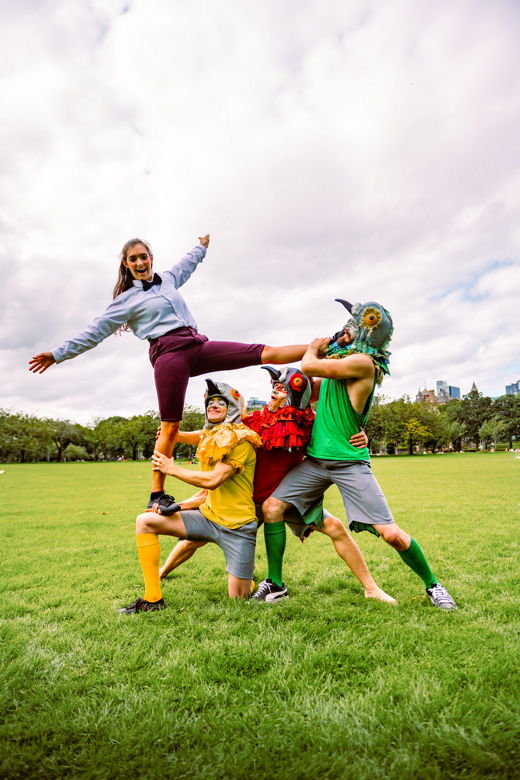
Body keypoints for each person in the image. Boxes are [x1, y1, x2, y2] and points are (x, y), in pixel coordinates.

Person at [28, 236, 307, 511]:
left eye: (143, 256)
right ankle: (156, 493)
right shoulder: (126, 300)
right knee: (171, 425)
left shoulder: (168, 279)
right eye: (133, 259)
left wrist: (201, 247)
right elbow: (94, 332)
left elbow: (187, 264)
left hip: (197, 345)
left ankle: (323, 347)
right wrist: (57, 354)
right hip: (168, 354)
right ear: (126, 265)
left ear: (151, 257)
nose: (140, 262)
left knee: (261, 351)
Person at [263, 300, 458, 610]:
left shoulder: (363, 363)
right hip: (315, 461)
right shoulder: (339, 367)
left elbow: (309, 366)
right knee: (272, 507)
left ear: (368, 334)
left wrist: (314, 346)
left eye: (355, 326)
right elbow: (305, 390)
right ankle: (275, 584)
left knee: (390, 534)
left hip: (348, 462)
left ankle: (434, 586)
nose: (348, 330)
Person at [159, 365, 395, 604]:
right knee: (195, 539)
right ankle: (162, 573)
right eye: (274, 386)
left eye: (282, 387)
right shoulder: (253, 420)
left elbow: (334, 437)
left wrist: (359, 435)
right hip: (248, 501)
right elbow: (213, 433)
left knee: (335, 528)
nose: (275, 390)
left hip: (284, 499)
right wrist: (176, 435)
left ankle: (371, 588)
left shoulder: (310, 423)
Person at [119, 380, 262, 613]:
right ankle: (152, 599)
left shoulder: (242, 440)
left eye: (220, 403)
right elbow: (198, 437)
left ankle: (245, 574)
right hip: (207, 517)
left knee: (238, 599)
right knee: (144, 521)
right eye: (210, 402)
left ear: (233, 408)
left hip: (238, 526)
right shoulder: (211, 436)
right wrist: (174, 434)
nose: (213, 406)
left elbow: (214, 481)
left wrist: (171, 468)